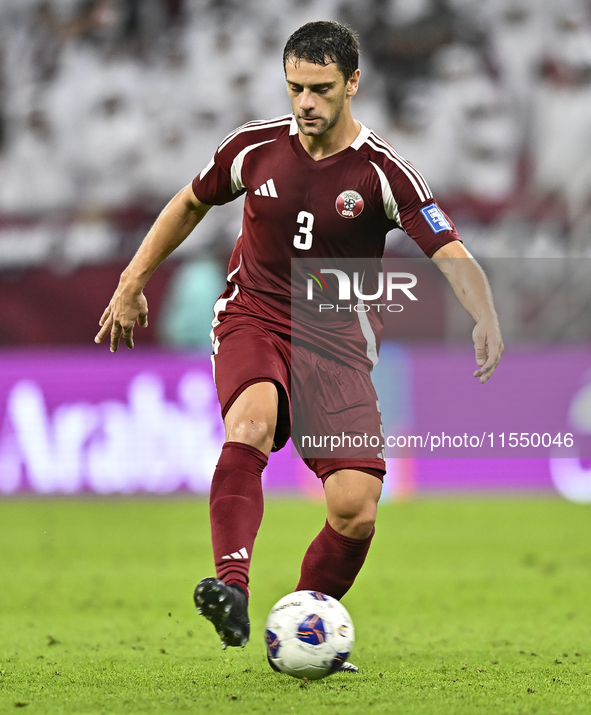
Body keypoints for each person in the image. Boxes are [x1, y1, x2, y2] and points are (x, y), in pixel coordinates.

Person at [95, 21, 503, 670]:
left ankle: (301, 621)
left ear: (351, 84)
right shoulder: (253, 149)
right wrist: (132, 277)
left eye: (319, 89)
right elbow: (189, 202)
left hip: (337, 344)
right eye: (294, 88)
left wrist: (482, 312)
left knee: (354, 510)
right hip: (252, 316)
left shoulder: (383, 171)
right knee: (250, 423)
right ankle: (230, 585)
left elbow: (448, 250)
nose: (304, 102)